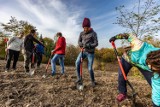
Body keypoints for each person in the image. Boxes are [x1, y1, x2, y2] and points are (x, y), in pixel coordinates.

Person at [109, 33, 160, 107]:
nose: (151, 70)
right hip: (128, 59)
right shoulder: (138, 45)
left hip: (142, 65)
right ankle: (122, 92)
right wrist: (115, 37)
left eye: (153, 69)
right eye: (151, 67)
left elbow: (157, 94)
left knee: (154, 84)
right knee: (121, 75)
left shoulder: (157, 72)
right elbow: (128, 35)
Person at [75, 17, 98, 87]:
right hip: (83, 51)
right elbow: (79, 41)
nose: (85, 29)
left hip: (90, 53)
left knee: (90, 68)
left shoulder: (93, 33)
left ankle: (93, 81)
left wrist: (89, 45)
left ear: (89, 27)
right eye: (84, 27)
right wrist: (80, 44)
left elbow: (96, 43)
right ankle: (79, 78)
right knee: (77, 63)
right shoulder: (81, 33)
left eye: (86, 27)